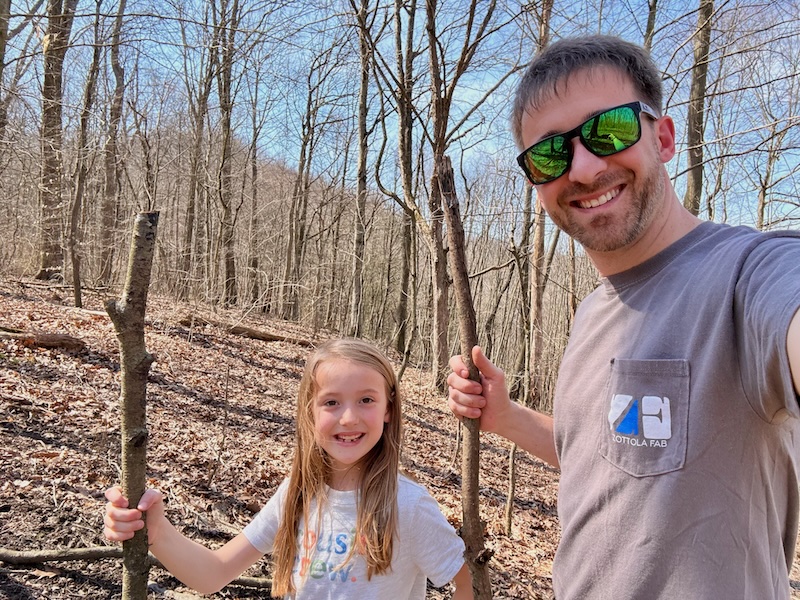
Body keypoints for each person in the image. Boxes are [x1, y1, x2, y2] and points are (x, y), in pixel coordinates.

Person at [447, 35, 800, 599]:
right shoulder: (591, 314)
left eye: (608, 130)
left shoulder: (751, 272)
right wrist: (506, 416)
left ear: (661, 138)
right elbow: (607, 455)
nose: (583, 169)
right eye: (550, 155)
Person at [105, 338, 472, 599]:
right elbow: (213, 574)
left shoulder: (407, 505)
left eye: (366, 400)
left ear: (388, 410)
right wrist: (156, 531)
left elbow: (467, 581)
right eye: (331, 402)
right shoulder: (297, 493)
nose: (348, 417)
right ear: (309, 413)